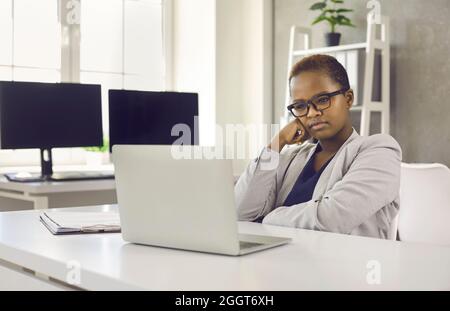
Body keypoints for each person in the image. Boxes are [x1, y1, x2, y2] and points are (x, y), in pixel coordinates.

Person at [235, 54, 402, 239]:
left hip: (345, 266)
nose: (312, 112)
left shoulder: (380, 151)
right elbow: (241, 211)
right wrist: (278, 141)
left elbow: (331, 219)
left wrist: (267, 219)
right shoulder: (291, 157)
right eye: (300, 106)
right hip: (283, 263)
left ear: (348, 98)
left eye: (322, 99)